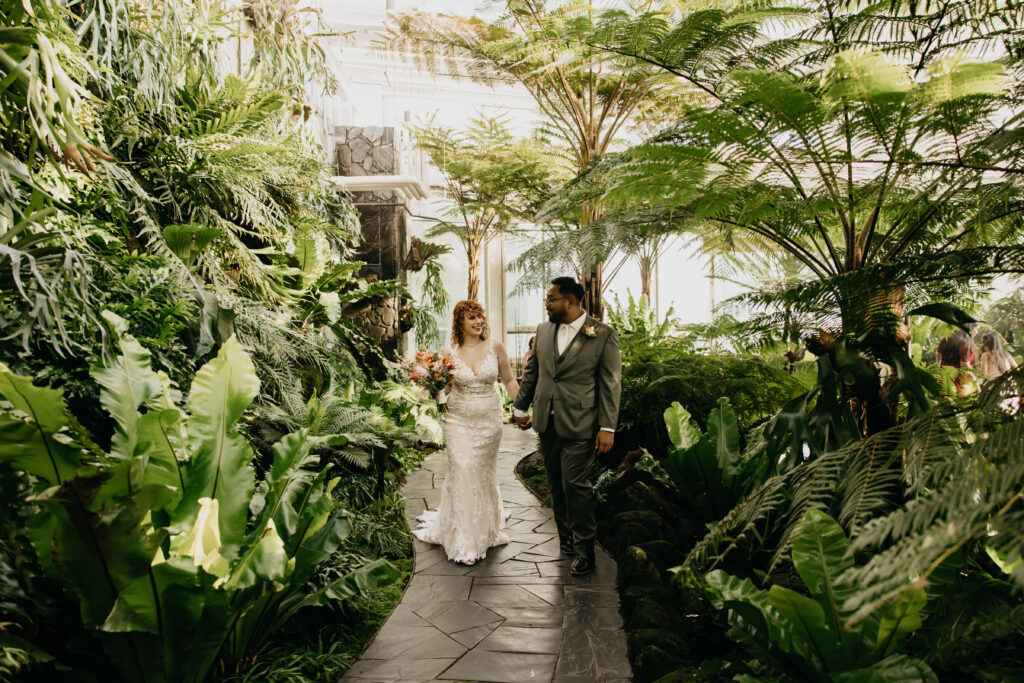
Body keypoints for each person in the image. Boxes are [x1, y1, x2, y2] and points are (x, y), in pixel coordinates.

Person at [513, 277, 622, 576]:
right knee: (557, 486)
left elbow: (611, 384)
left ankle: (585, 551)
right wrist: (521, 407)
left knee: (576, 486)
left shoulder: (602, 334)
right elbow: (532, 372)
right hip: (547, 421)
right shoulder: (543, 330)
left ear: (571, 301)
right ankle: (567, 541)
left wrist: (607, 427)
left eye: (551, 298)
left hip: (581, 424)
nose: (546, 304)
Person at [412, 300, 520, 566]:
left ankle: (483, 530)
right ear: (460, 322)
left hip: (488, 423)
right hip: (458, 421)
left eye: (480, 317)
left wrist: (522, 409)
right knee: (462, 468)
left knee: (481, 473)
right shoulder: (450, 351)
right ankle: (464, 541)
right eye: (472, 318)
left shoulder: (495, 346)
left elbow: (508, 379)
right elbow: (443, 388)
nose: (478, 322)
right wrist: (434, 387)